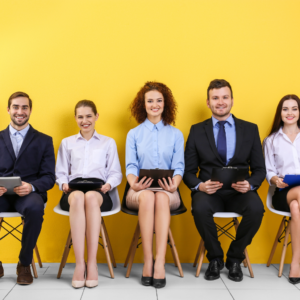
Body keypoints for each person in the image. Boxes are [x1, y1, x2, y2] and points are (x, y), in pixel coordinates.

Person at [183, 79, 265, 282]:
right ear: (208, 102)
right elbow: (188, 171)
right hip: (209, 193)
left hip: (240, 192)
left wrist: (251, 184)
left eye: (225, 97)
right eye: (215, 98)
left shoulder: (250, 129)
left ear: (232, 100)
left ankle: (235, 258)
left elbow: (259, 169)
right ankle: (215, 258)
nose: (220, 102)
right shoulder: (196, 131)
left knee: (256, 209)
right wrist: (200, 185)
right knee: (200, 208)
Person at [56, 100, 122, 288]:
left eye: (88, 116)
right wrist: (63, 184)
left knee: (91, 197)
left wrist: (109, 184)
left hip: (99, 190)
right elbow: (61, 171)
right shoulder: (67, 143)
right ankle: (79, 264)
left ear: (96, 116)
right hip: (73, 190)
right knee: (78, 197)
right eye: (80, 117)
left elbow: (115, 172)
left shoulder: (108, 143)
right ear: (75, 118)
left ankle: (91, 263)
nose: (84, 120)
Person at [125, 81, 184, 288]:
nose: (155, 105)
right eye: (150, 101)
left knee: (159, 196)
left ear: (165, 104)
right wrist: (136, 185)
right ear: (143, 104)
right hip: (139, 190)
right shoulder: (134, 134)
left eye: (159, 100)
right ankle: (147, 260)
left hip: (169, 190)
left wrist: (174, 185)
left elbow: (179, 167)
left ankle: (160, 260)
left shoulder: (176, 134)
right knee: (150, 196)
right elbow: (131, 166)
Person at [0, 92, 55, 285]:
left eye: (24, 107)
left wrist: (31, 186)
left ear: (30, 110)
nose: (20, 111)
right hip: (2, 195)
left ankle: (24, 263)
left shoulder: (44, 140)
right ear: (8, 110)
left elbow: (50, 177)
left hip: (28, 194)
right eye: (16, 107)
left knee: (34, 208)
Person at [264, 94, 300, 284]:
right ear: (280, 113)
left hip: (296, 200)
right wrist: (275, 180)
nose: (290, 113)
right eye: (285, 109)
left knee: (297, 207)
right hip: (282, 193)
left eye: (294, 108)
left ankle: (296, 262)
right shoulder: (271, 140)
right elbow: (269, 170)